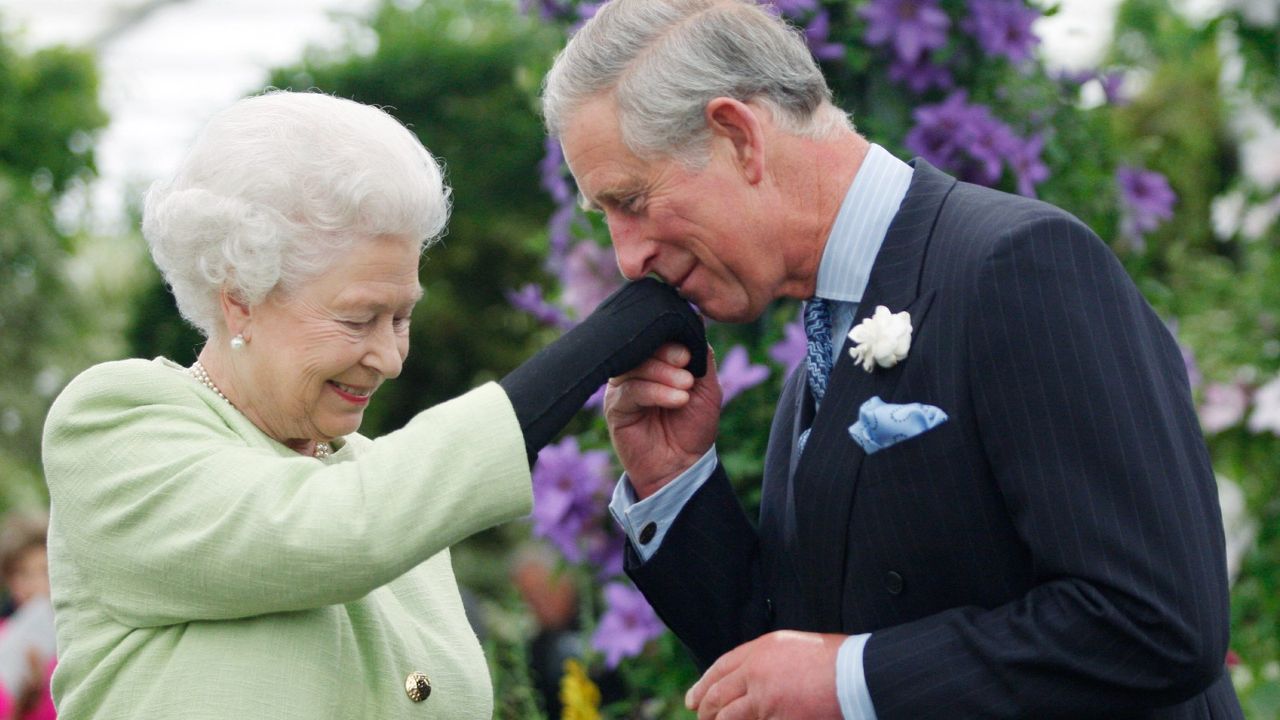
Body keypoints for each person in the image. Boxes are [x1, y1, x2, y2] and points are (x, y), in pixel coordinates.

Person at [540, 1, 1243, 718]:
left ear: (737, 136)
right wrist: (673, 479)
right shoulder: (822, 351)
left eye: (631, 201)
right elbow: (780, 673)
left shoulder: (1017, 264)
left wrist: (856, 679)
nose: (629, 259)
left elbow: (1155, 621)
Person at [41, 90, 705, 719]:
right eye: (359, 320)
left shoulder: (390, 485)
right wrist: (593, 350)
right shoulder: (114, 421)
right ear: (238, 295)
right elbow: (331, 528)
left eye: (402, 317)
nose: (390, 358)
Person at [0, 512, 56, 720]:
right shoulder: (4, 636)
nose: (35, 585)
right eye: (23, 573)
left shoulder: (77, 633)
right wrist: (24, 699)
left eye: (44, 571)